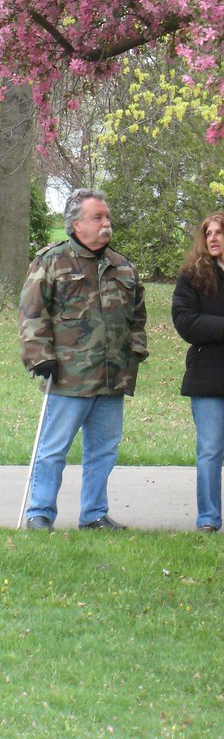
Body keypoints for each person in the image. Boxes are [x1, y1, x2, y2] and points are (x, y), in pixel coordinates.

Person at [18, 188, 148, 531]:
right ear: (76, 225)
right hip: (67, 376)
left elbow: (137, 317)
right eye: (97, 218)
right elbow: (32, 313)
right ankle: (40, 512)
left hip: (111, 376)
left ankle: (94, 514)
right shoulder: (52, 261)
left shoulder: (123, 266)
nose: (106, 224)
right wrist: (39, 357)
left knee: (103, 451)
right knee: (53, 449)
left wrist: (135, 352)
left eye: (107, 217)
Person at [171, 212, 224, 533]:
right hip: (207, 377)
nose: (213, 238)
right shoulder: (193, 276)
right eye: (209, 233)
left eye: (219, 232)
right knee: (210, 449)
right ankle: (208, 519)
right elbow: (187, 323)